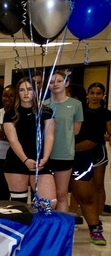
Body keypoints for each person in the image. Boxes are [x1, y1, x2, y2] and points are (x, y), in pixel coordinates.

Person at [4, 76, 55, 206]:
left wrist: (45, 158)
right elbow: (13, 140)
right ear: (18, 93)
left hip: (40, 161)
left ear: (35, 91)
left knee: (48, 204)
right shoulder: (10, 113)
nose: (26, 93)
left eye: (29, 89)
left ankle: (40, 221)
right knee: (18, 204)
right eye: (22, 90)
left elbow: (49, 136)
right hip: (17, 160)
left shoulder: (46, 111)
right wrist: (25, 160)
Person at [68, 83, 107, 244]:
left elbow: (93, 140)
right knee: (56, 196)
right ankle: (59, 229)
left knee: (85, 196)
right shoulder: (54, 114)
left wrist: (69, 149)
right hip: (57, 161)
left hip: (80, 161)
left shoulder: (90, 116)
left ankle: (95, 229)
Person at [42, 69, 83, 212]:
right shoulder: (42, 105)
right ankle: (46, 224)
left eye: (59, 81)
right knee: (45, 196)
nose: (55, 84)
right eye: (52, 82)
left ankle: (62, 225)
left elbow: (76, 130)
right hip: (45, 155)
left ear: (67, 83)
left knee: (61, 194)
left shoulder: (76, 105)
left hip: (64, 154)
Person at [85, 82, 111, 223]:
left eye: (98, 93)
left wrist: (98, 137)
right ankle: (74, 214)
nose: (95, 96)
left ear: (103, 95)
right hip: (81, 151)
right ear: (88, 94)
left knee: (98, 185)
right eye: (92, 93)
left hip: (98, 152)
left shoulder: (106, 113)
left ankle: (98, 215)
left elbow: (109, 135)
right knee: (79, 184)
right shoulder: (81, 109)